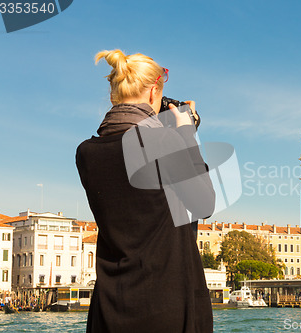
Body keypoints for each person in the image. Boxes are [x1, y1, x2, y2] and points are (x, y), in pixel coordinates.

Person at [76, 49, 215, 332]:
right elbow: (205, 203)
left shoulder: (86, 152)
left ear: (114, 94)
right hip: (168, 305)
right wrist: (186, 133)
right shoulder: (164, 140)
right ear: (154, 91)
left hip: (108, 306)